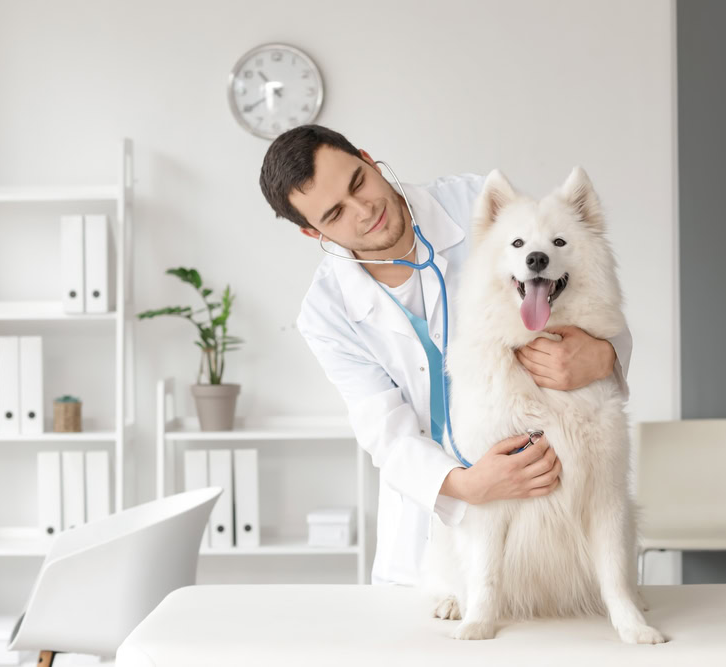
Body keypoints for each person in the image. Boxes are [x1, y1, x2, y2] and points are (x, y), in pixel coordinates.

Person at [259, 125, 632, 585]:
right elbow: (386, 432)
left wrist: (603, 356)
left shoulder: (476, 205)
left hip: (546, 511)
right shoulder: (326, 312)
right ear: (311, 231)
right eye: (335, 213)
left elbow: (580, 281)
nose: (364, 210)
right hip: (428, 537)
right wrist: (468, 485)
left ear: (368, 158)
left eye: (358, 182)